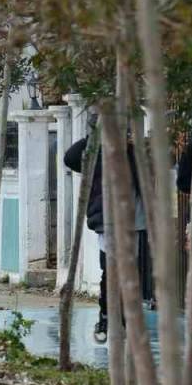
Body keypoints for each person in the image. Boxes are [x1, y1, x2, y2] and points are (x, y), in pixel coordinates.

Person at [64, 128, 151, 344]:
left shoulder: (135, 154)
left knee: (133, 273)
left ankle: (126, 319)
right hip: (108, 222)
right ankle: (105, 317)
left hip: (135, 222)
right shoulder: (97, 155)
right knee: (110, 272)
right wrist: (92, 138)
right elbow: (71, 158)